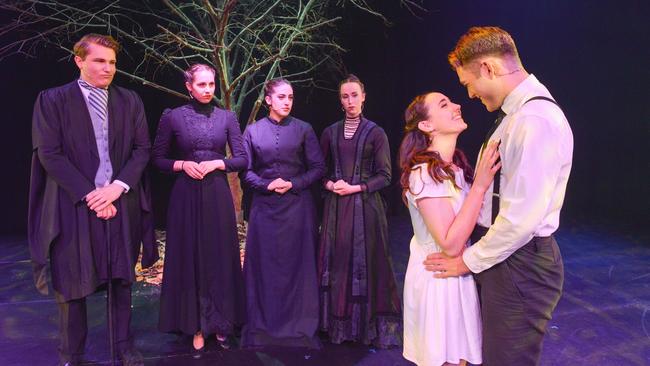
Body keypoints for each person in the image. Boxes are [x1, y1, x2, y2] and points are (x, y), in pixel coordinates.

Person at [425, 26, 574, 365]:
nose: (472, 95)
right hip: (503, 257)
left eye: (468, 84)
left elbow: (521, 220)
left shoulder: (535, 120)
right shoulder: (515, 117)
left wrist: (466, 260)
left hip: (519, 261)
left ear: (488, 68)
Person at [28, 34, 157, 366]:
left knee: (121, 277)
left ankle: (124, 347)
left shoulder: (130, 101)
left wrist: (118, 187)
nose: (108, 68)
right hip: (75, 203)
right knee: (72, 282)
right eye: (100, 60)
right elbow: (50, 154)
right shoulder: (53, 100)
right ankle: (72, 355)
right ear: (79, 61)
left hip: (120, 200)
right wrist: (92, 195)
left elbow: (142, 150)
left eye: (112, 62)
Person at [399, 92, 500, 366]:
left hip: (456, 273)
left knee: (460, 360)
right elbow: (450, 243)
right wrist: (480, 185)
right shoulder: (423, 173)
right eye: (444, 104)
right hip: (437, 278)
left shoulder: (455, 168)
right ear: (426, 125)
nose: (457, 106)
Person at [153, 64, 247, 351]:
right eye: (202, 85)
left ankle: (220, 323)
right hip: (186, 196)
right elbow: (157, 158)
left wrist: (219, 163)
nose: (207, 90)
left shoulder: (227, 117)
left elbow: (242, 159)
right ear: (189, 87)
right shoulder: (173, 117)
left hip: (217, 194)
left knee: (219, 256)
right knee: (189, 257)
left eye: (211, 85)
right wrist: (182, 164)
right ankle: (195, 324)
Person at [240, 78, 325, 348]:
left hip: (297, 208)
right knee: (265, 265)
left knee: (298, 266)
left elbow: (317, 168)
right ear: (268, 100)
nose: (287, 102)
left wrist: (293, 183)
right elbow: (245, 171)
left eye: (290, 97)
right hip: (264, 209)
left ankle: (300, 323)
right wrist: (266, 185)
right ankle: (263, 324)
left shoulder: (304, 129)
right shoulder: (253, 131)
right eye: (281, 97)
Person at [318, 74, 401, 348]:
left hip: (366, 209)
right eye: (345, 96)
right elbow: (320, 171)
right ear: (340, 101)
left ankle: (365, 329)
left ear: (364, 96)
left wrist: (355, 188)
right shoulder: (330, 132)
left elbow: (386, 175)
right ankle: (337, 326)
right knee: (339, 262)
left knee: (366, 263)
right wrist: (330, 184)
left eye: (355, 95)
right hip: (336, 209)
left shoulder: (376, 132)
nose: (350, 101)